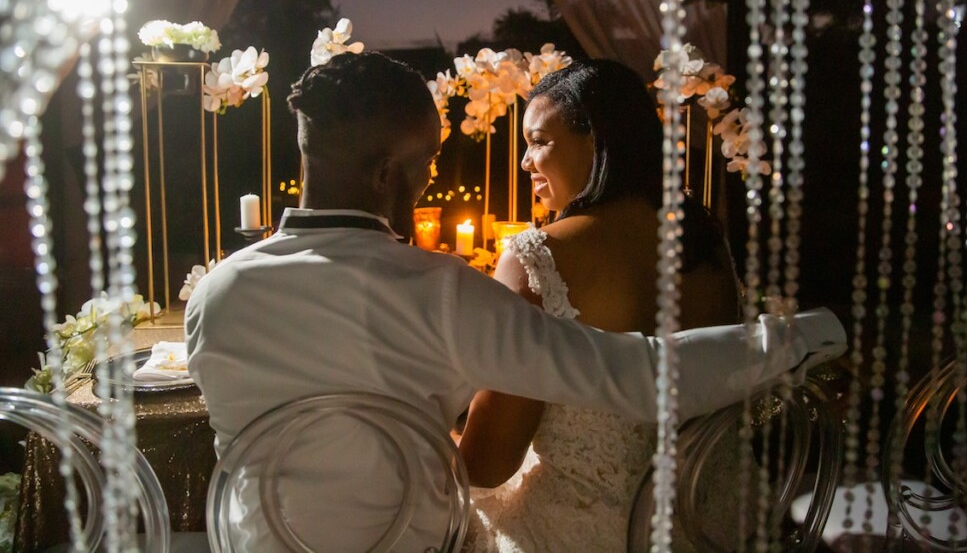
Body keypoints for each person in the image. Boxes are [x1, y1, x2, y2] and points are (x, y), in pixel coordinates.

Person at [184, 51, 845, 551]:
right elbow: (637, 374)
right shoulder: (440, 291)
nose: (430, 178)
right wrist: (806, 333)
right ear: (389, 173)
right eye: (427, 163)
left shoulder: (213, 295)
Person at [459, 59, 743, 552]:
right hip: (713, 524)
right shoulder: (705, 241)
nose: (526, 161)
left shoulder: (538, 257)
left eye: (538, 141)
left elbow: (486, 463)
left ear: (596, 139)